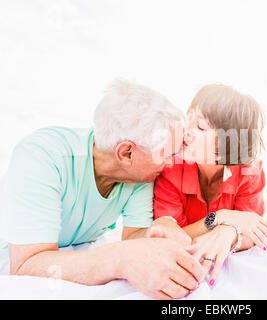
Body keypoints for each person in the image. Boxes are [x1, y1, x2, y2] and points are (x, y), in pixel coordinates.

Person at [0, 79, 204, 300]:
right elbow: (25, 265)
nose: (172, 164)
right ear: (126, 153)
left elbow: (132, 238)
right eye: (166, 156)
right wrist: (119, 259)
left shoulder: (139, 176)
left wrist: (162, 226)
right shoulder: (42, 156)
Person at [153, 84, 267, 287]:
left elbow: (253, 230)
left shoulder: (248, 172)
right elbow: (173, 234)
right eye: (188, 118)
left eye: (200, 127)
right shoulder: (170, 169)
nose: (186, 131)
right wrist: (220, 219)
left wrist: (228, 232)